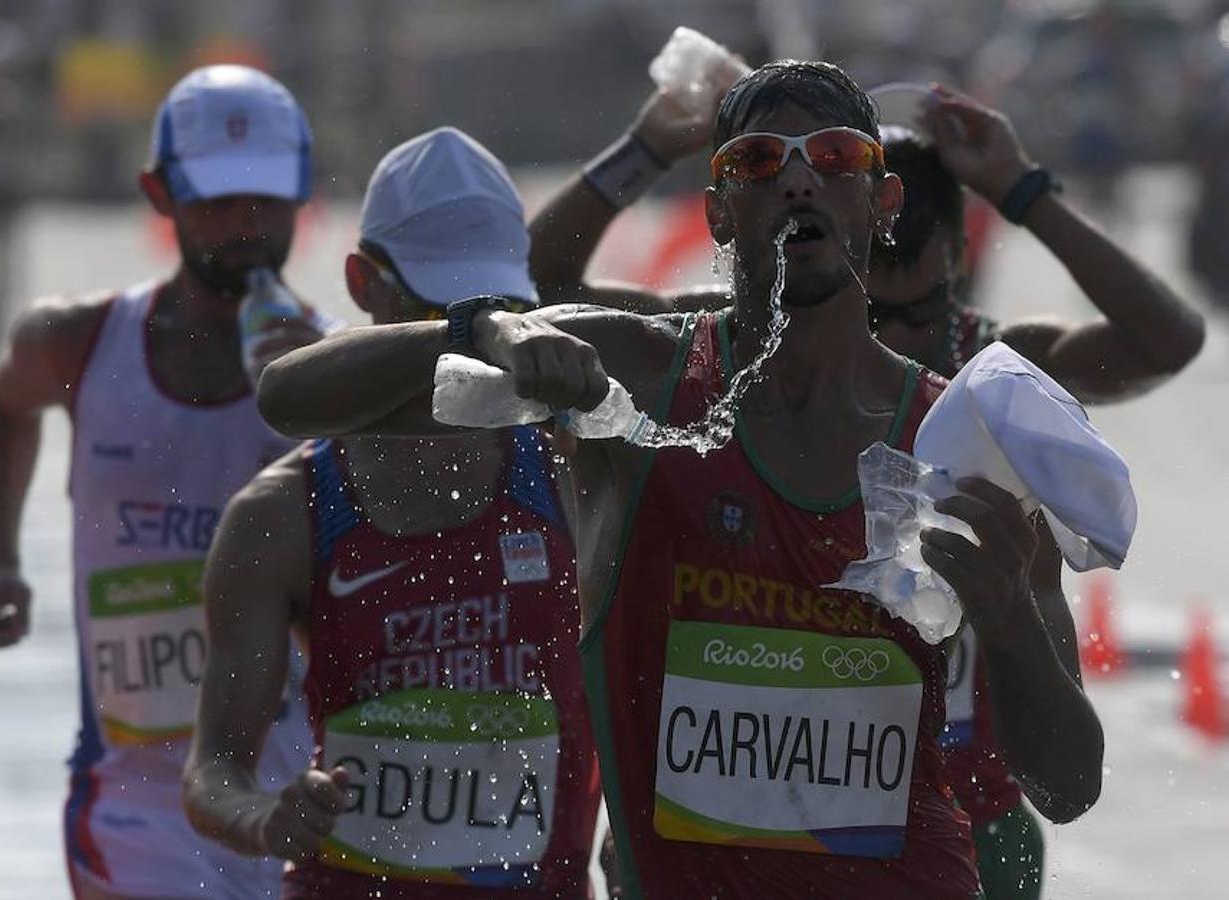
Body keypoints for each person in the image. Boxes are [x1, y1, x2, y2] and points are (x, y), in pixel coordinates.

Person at [257, 61, 1106, 898]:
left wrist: (1007, 620)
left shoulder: (957, 441)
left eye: (837, 159)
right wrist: (489, 332)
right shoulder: (636, 375)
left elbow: (1068, 791)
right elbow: (290, 397)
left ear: (882, 205)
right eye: (760, 162)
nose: (801, 182)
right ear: (718, 216)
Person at [183, 127, 602, 899]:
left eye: (499, 310)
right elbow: (213, 771)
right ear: (361, 283)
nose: (476, 343)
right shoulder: (280, 516)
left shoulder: (574, 473)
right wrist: (263, 817)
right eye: (442, 311)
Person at [0, 65, 321, 900]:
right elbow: (1, 407)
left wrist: (327, 401)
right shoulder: (76, 343)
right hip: (133, 809)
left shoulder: (342, 370)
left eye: (265, 198)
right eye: (217, 202)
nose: (245, 224)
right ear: (159, 194)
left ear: (303, 188)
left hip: (298, 806)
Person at [866, 92, 1204, 899]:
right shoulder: (762, 353)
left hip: (978, 820)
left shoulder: (1000, 371)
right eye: (872, 315)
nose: (895, 352)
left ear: (953, 256)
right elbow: (538, 300)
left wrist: (1021, 190)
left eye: (919, 317)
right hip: (806, 819)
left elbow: (1170, 339)